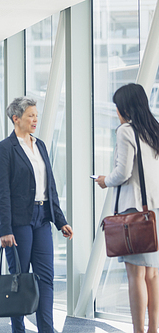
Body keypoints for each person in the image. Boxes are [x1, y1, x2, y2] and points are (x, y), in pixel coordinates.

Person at [0, 97, 73, 333]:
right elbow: (2, 192)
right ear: (16, 119)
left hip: (42, 218)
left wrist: (60, 220)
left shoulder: (40, 145)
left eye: (36, 115)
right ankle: (19, 329)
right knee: (19, 278)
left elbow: (50, 185)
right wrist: (5, 229)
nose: (35, 119)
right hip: (17, 222)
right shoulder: (4, 149)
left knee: (46, 277)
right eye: (31, 115)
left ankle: (46, 329)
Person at [95, 83, 159, 333]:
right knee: (152, 276)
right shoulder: (154, 130)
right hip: (154, 213)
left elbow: (122, 172)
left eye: (117, 108)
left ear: (125, 107)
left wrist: (103, 181)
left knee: (135, 277)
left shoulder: (125, 131)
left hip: (134, 214)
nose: (116, 112)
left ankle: (138, 331)